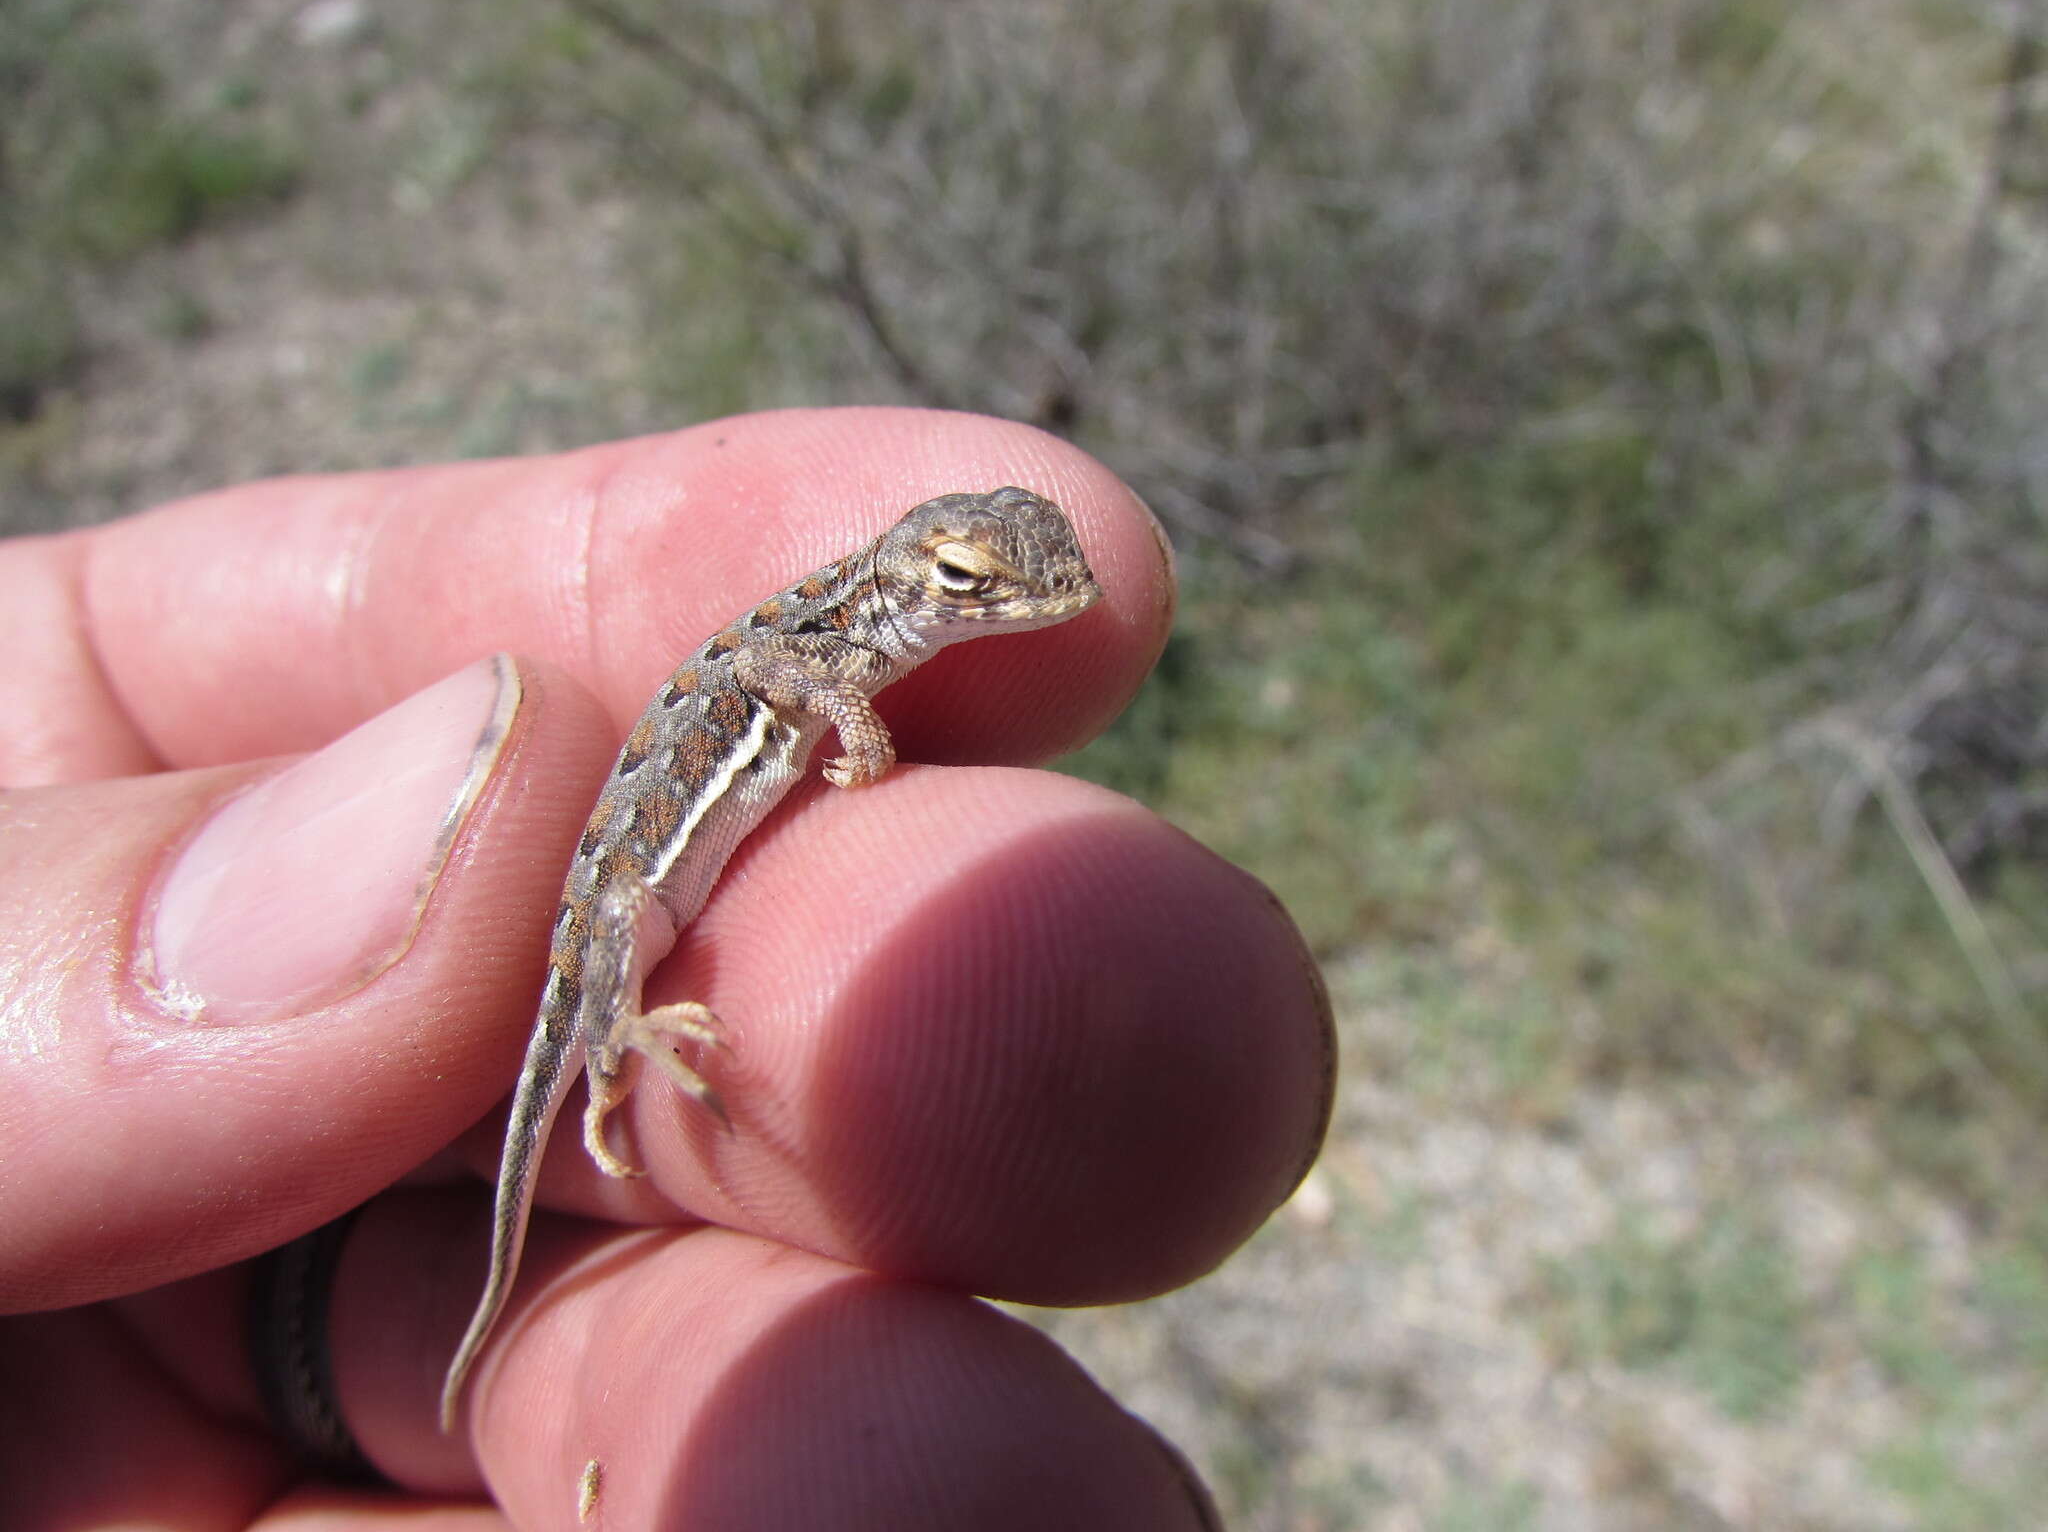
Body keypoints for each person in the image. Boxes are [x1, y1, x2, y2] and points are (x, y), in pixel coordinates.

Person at [0, 408, 1331, 1529]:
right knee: (591, 997)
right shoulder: (829, 637)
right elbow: (762, 662)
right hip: (635, 869)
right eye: (984, 581)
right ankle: (607, 1059)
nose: (1027, 600)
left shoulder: (869, 619)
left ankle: (540, 1170)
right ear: (914, 580)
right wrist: (849, 713)